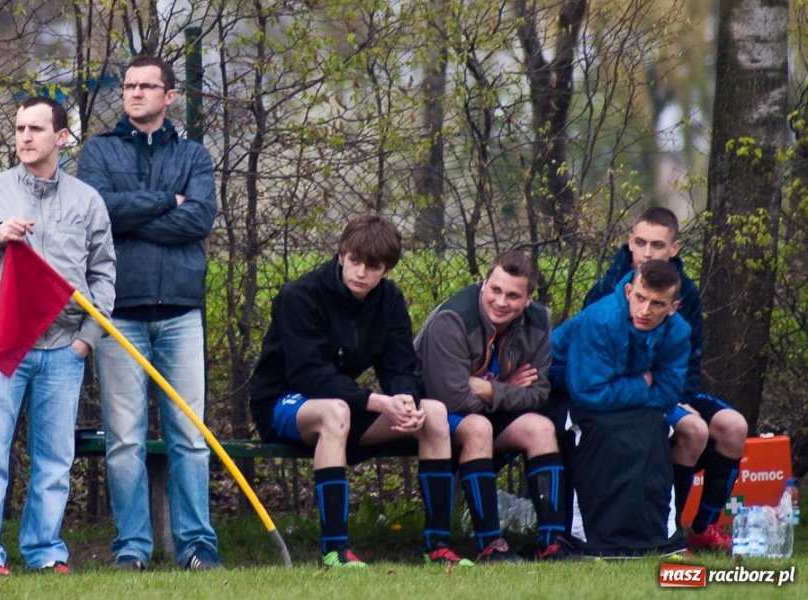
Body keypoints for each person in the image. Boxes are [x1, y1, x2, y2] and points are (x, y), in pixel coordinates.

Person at [0, 96, 116, 577]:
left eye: (36, 129)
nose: (25, 137)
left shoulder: (87, 201)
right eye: (20, 128)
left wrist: (86, 338)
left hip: (63, 347)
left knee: (54, 459)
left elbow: (103, 275)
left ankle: (44, 550)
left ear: (61, 137)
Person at [250, 214, 470, 568]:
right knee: (335, 411)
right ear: (341, 254)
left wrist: (404, 400)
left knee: (434, 414)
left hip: (348, 403)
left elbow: (400, 366)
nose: (360, 272)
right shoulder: (301, 295)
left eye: (372, 266)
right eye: (354, 261)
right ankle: (336, 550)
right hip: (285, 402)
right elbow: (308, 375)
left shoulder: (390, 301)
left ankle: (438, 547)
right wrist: (376, 401)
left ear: (386, 269)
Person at [77, 55, 220, 571]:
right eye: (129, 86)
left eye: (146, 86)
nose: (134, 94)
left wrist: (135, 215)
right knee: (125, 439)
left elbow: (198, 217)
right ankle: (132, 549)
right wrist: (166, 201)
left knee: (190, 435)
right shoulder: (97, 150)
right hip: (118, 312)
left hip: (181, 311)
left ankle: (197, 548)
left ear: (170, 96)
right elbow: (97, 211)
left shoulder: (195, 155)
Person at [583, 207, 748, 552]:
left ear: (673, 248)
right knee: (693, 429)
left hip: (673, 389)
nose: (646, 252)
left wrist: (679, 396)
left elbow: (690, 355)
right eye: (640, 242)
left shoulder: (684, 292)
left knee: (733, 426)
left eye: (656, 245)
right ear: (629, 243)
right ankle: (668, 529)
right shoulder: (605, 291)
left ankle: (703, 527)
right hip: (628, 396)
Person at [414, 250, 575, 561]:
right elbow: (453, 399)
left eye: (513, 295)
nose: (501, 302)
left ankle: (552, 542)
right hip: (434, 415)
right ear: (483, 283)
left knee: (540, 427)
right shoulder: (453, 320)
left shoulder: (539, 321)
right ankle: (490, 545)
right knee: (478, 427)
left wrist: (489, 389)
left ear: (528, 299)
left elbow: (539, 393)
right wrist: (507, 390)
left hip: (487, 408)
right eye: (496, 290)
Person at [550, 260, 691, 556]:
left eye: (657, 303)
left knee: (653, 426)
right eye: (640, 298)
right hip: (560, 392)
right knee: (603, 431)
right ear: (628, 290)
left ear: (673, 307)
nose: (645, 310)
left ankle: (655, 533)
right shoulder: (600, 320)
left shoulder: (678, 332)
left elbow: (667, 393)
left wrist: (630, 388)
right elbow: (588, 393)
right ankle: (591, 535)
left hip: (614, 397)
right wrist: (642, 383)